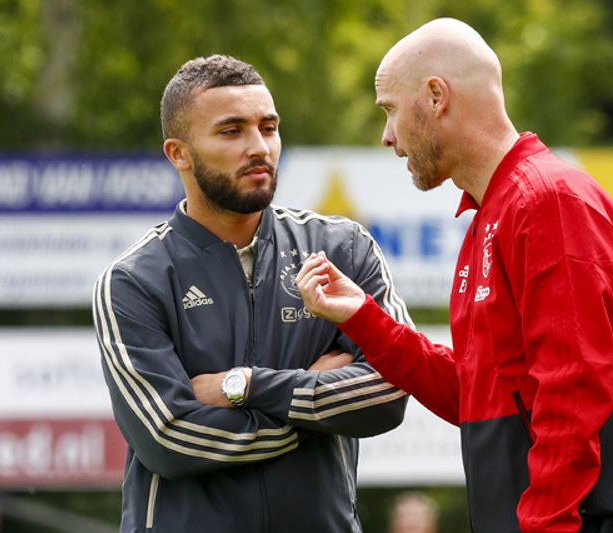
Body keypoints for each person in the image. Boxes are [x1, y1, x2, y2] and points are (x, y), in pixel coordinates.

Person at [296, 18, 613, 533]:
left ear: (436, 97)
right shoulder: (493, 215)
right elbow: (475, 396)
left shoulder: (546, 202)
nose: (387, 136)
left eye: (389, 110)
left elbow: (573, 390)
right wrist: (364, 317)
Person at [93, 54, 411, 533]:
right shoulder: (133, 280)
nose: (259, 147)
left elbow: (391, 387)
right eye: (231, 131)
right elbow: (169, 438)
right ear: (178, 153)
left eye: (269, 127)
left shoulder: (342, 249)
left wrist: (243, 386)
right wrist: (313, 404)